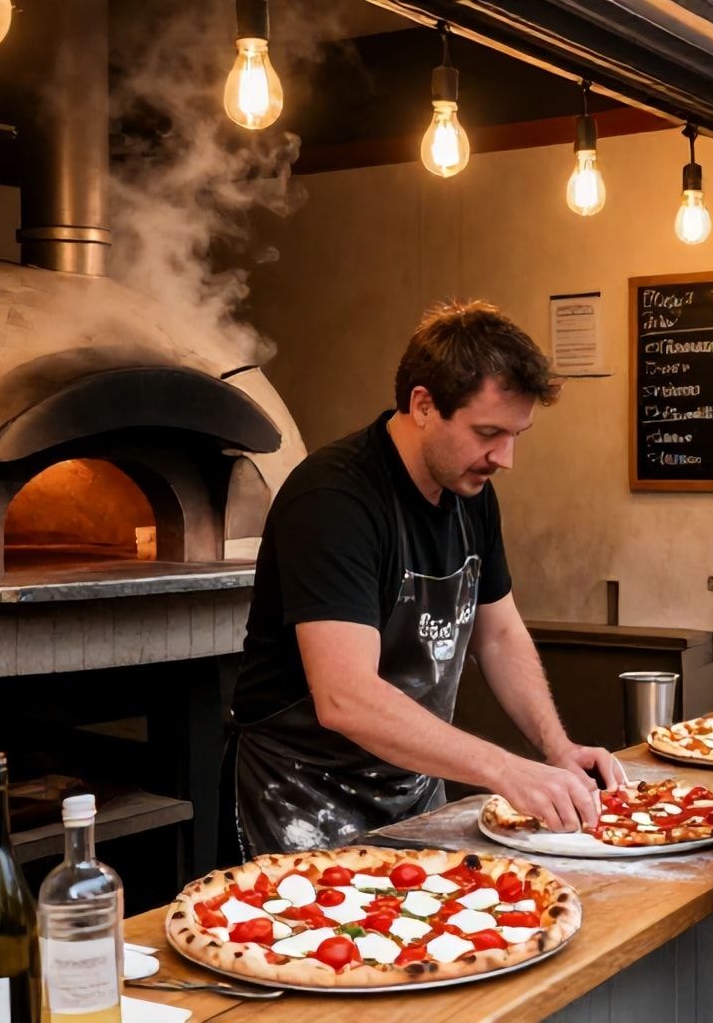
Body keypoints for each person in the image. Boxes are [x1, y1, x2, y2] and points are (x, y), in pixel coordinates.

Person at [229, 301, 625, 856]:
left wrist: (556, 747)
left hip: (413, 790)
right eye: (488, 431)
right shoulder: (333, 500)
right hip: (303, 800)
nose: (504, 457)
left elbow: (499, 635)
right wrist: (504, 769)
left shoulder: (473, 494)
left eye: (516, 434)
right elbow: (345, 696)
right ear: (422, 404)